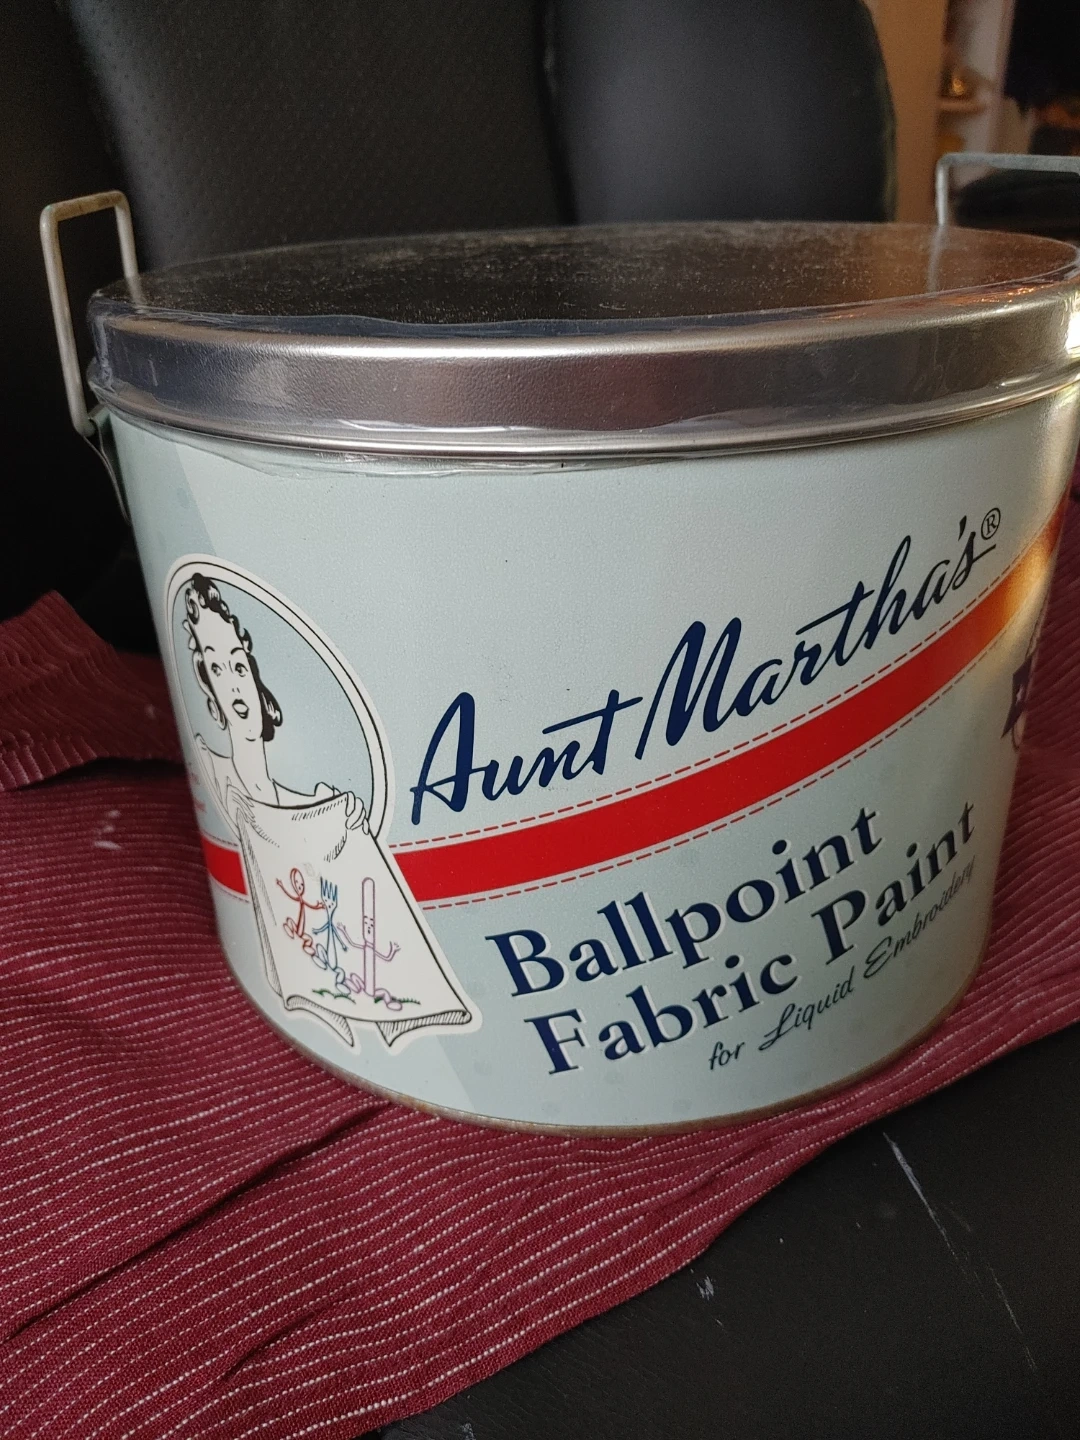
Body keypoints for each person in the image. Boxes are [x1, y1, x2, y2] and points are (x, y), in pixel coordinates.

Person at [182, 573, 367, 833]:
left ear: (255, 675)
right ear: (207, 685)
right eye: (216, 669)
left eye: (238, 666)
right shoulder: (210, 770)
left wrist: (344, 818)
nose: (233, 685)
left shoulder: (308, 805)